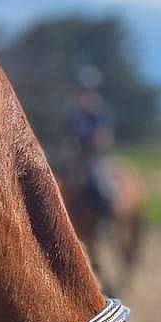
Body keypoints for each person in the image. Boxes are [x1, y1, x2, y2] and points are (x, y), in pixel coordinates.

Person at [63, 65, 117, 215]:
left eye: (83, 90)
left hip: (95, 158)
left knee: (101, 186)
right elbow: (71, 137)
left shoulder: (100, 111)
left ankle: (106, 220)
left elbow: (105, 136)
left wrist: (96, 143)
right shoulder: (74, 114)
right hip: (78, 159)